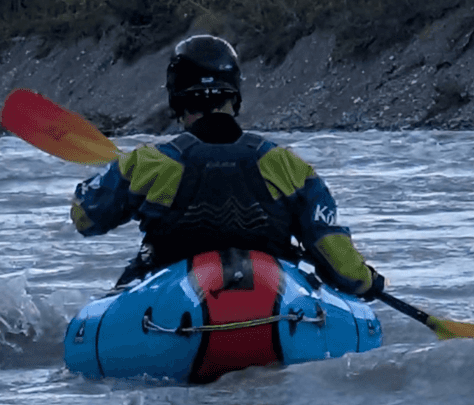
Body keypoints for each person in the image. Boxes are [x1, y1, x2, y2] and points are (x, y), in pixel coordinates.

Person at [70, 33, 386, 299]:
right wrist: (368, 281)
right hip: (274, 303)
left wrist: (105, 175)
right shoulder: (286, 164)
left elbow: (86, 218)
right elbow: (331, 246)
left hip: (170, 307)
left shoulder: (147, 163)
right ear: (234, 95)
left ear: (176, 98)